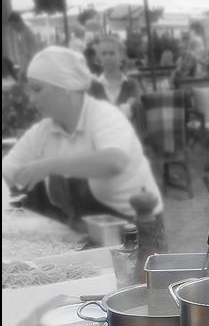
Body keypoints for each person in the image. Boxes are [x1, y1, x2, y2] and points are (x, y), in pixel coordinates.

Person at [1, 46, 164, 232]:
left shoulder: (104, 116)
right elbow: (5, 173)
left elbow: (115, 161)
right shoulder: (42, 133)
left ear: (66, 88)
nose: (31, 99)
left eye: (37, 90)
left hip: (137, 235)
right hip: (83, 236)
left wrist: (47, 165)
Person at [94, 35, 142, 120]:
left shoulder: (132, 84)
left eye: (112, 53)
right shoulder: (93, 85)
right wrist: (122, 108)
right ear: (99, 57)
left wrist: (103, 113)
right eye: (103, 53)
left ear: (121, 56)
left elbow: (131, 110)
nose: (107, 57)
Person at [7, 12, 41, 76]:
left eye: (14, 25)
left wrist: (23, 72)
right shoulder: (25, 33)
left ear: (20, 21)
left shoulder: (26, 34)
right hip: (31, 68)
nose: (13, 29)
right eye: (11, 26)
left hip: (29, 69)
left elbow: (28, 56)